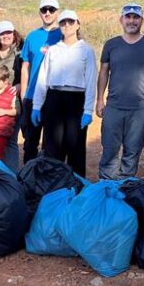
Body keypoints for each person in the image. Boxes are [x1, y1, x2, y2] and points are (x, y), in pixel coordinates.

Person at [96, 3, 144, 180]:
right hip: (114, 106)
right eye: (128, 17)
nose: (132, 21)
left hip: (140, 107)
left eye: (136, 17)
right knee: (109, 148)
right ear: (121, 20)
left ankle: (125, 187)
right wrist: (100, 100)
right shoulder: (111, 45)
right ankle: (106, 187)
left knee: (132, 150)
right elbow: (103, 72)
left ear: (142, 20)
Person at [31, 10, 96, 176]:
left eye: (71, 22)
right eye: (63, 23)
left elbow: (90, 81)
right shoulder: (53, 50)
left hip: (76, 100)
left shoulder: (86, 50)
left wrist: (88, 110)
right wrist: (37, 106)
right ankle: (53, 188)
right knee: (53, 146)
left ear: (78, 24)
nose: (67, 26)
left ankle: (76, 189)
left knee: (75, 147)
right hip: (54, 99)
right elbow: (43, 79)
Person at [20, 0, 62, 164]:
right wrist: (24, 94)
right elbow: (25, 66)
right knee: (30, 141)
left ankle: (48, 178)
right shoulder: (32, 36)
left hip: (54, 96)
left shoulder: (63, 35)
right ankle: (27, 176)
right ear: (39, 13)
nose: (47, 13)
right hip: (32, 96)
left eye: (51, 10)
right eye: (44, 10)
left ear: (57, 13)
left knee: (51, 142)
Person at [0, 20, 23, 170]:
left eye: (9, 32)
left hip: (12, 103)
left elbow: (29, 71)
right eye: (2, 33)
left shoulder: (21, 52)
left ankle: (11, 175)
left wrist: (20, 84)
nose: (6, 36)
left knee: (11, 141)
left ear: (14, 34)